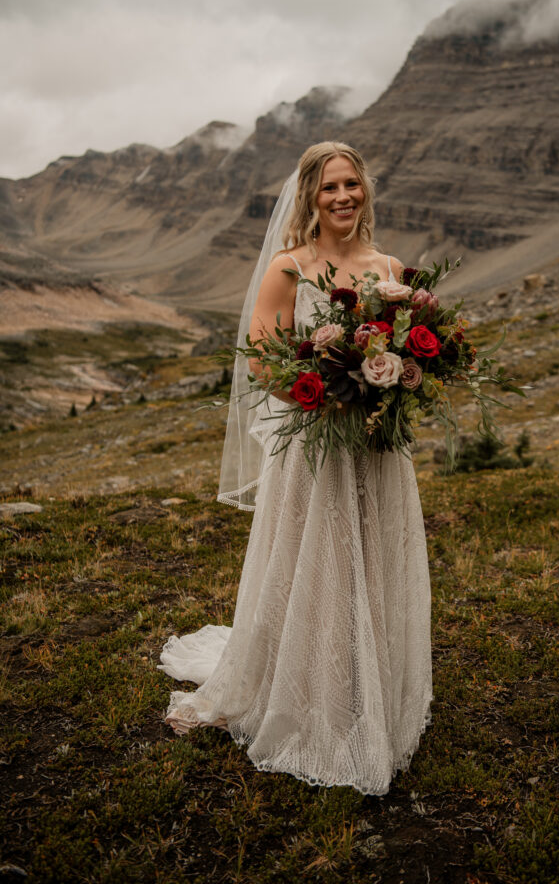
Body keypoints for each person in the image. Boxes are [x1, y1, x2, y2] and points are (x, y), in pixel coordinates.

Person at [158, 141, 433, 796]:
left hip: (375, 448)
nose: (343, 198)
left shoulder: (389, 267)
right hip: (315, 445)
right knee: (316, 564)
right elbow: (261, 359)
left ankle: (372, 693)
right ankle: (308, 694)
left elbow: (405, 358)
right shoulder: (290, 267)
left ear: (365, 191)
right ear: (311, 196)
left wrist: (398, 380)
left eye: (352, 185)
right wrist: (328, 391)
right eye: (329, 188)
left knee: (371, 559)